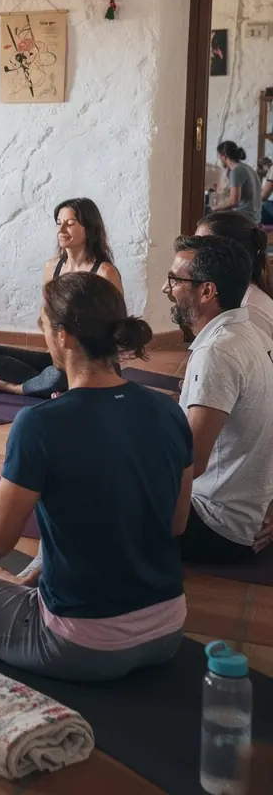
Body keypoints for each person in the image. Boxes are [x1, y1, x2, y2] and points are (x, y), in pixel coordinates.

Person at [0, 272, 191, 683]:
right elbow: (177, 523)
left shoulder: (40, 423)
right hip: (168, 630)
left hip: (79, 646)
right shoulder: (169, 410)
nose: (41, 331)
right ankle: (12, 590)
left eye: (43, 323)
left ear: (63, 336)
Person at [164, 234, 273, 564]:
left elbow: (190, 463)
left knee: (89, 482)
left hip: (215, 523)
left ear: (207, 291)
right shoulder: (248, 331)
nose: (167, 289)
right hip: (244, 512)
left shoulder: (217, 351)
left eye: (175, 280)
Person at [0, 198, 122, 399]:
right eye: (59, 223)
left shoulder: (105, 272)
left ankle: (17, 388)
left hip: (90, 363)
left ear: (89, 229)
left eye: (70, 223)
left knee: (57, 375)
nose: (61, 229)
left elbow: (117, 325)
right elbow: (45, 315)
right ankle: (53, 386)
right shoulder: (52, 267)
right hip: (58, 359)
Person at [196, 211, 273, 342]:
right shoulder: (239, 295)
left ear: (231, 255)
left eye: (202, 247)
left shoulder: (248, 310)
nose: (194, 254)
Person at [211, 141, 262, 223]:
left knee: (207, 219)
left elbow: (234, 201)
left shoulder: (236, 171)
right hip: (255, 217)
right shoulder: (248, 168)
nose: (219, 160)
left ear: (224, 156)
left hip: (244, 218)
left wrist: (215, 208)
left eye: (219, 157)